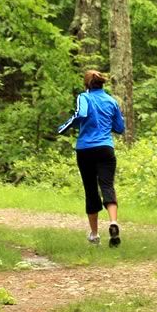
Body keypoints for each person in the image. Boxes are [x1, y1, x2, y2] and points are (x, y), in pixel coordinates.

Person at [58, 70, 125, 247]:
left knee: (91, 189)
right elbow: (120, 127)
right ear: (102, 83)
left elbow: (81, 114)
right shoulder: (112, 101)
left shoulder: (83, 97)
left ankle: (95, 235)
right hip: (105, 148)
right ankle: (113, 222)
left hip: (86, 149)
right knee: (107, 185)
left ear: (87, 84)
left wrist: (64, 127)